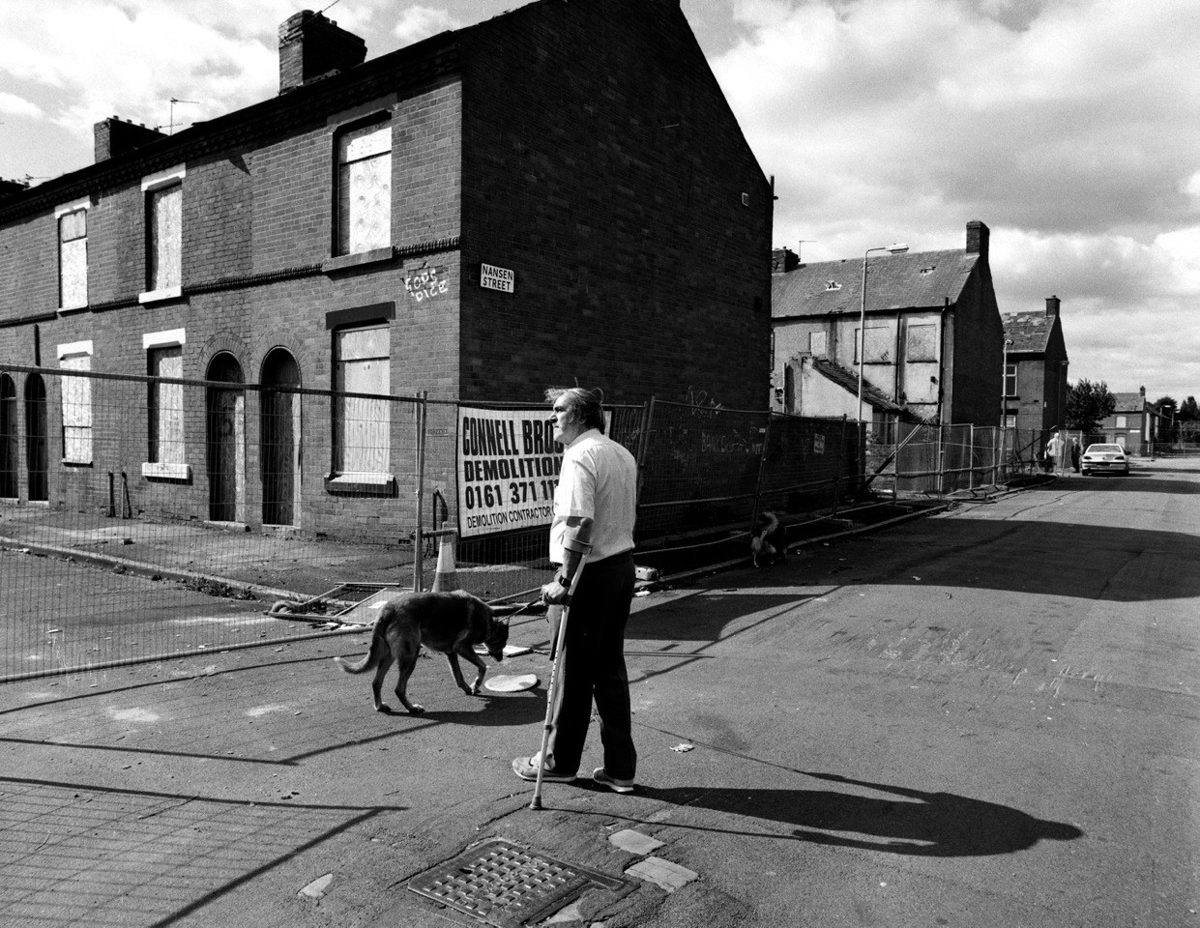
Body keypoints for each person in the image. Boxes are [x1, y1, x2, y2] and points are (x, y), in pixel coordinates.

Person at [512, 386, 639, 793]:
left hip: (589, 573)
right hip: (620, 567)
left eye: (559, 409)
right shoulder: (620, 453)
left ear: (582, 416)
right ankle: (621, 768)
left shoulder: (580, 455)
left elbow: (580, 522)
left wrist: (563, 580)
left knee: (572, 672)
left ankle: (558, 760)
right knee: (609, 670)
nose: (553, 416)